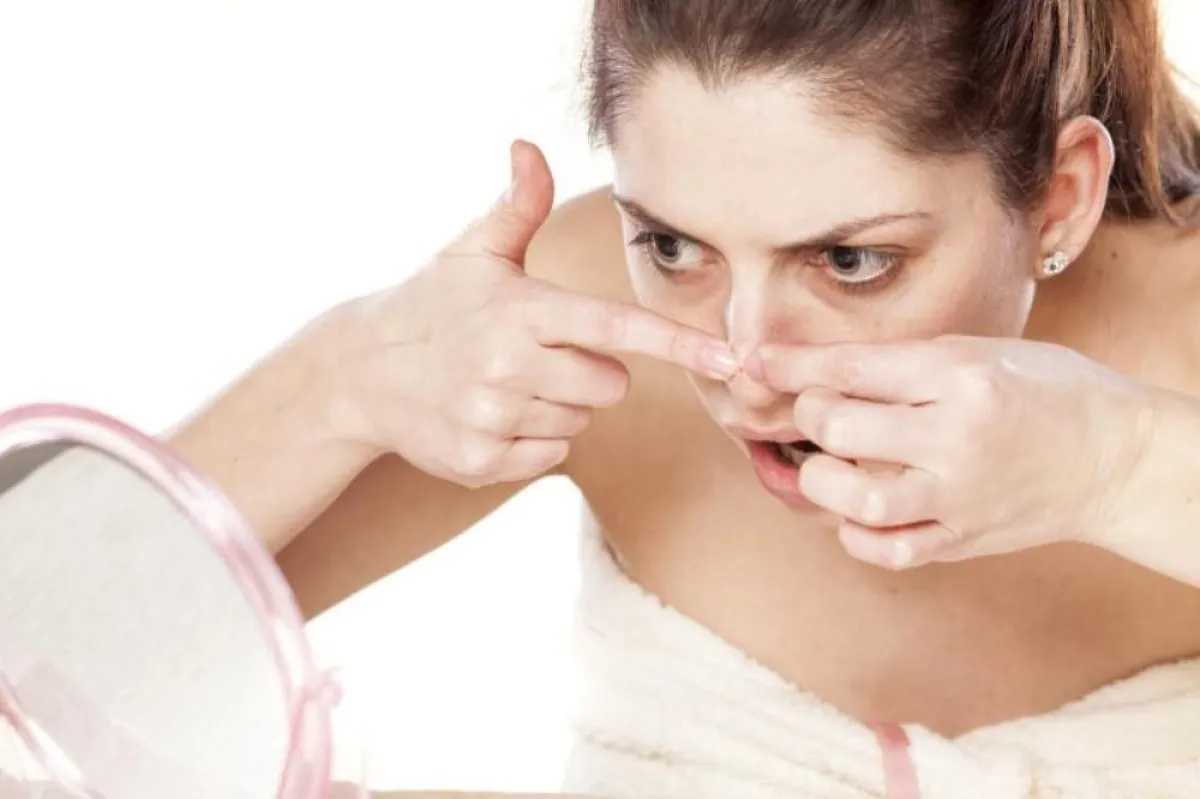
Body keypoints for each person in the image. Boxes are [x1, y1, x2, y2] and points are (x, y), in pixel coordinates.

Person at [172, 0, 1200, 796]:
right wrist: (343, 375)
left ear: (1060, 195)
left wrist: (1110, 466)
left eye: (850, 261)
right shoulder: (576, 318)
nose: (743, 363)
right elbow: (76, 646)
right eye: (670, 245)